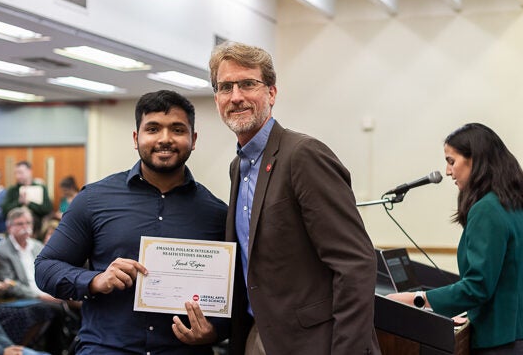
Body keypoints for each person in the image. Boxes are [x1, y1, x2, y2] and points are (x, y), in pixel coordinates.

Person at [208, 41, 380, 355]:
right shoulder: (239, 167)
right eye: (225, 87)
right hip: (259, 335)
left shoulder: (302, 155)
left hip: (315, 343)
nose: (236, 96)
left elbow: (355, 263)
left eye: (248, 84)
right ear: (217, 98)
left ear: (271, 93)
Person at [35, 90, 229, 354]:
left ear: (193, 139)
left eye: (177, 129)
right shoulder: (94, 200)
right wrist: (95, 280)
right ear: (137, 138)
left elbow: (238, 293)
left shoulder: (216, 213)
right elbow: (45, 268)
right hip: (107, 348)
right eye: (153, 129)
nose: (165, 139)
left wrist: (215, 331)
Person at [387, 123, 523, 354]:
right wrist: (466, 312)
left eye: (452, 161)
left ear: (476, 160)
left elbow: (478, 287)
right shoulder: (513, 202)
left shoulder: (486, 210)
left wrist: (416, 299)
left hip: (497, 342)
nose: (448, 171)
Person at [2, 161, 53, 237]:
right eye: (16, 173)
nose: (18, 176)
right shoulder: (13, 190)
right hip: (16, 228)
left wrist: (29, 203)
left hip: (37, 228)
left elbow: (47, 209)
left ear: (29, 172)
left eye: (21, 173)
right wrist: (19, 202)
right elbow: (5, 210)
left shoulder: (40, 187)